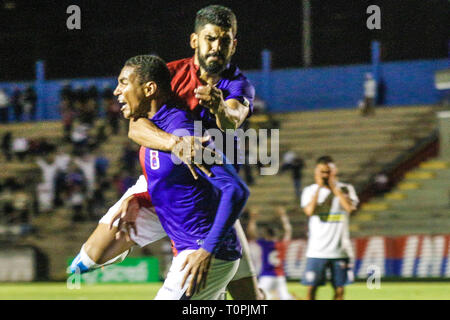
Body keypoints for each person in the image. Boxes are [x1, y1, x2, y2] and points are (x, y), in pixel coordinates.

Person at [70, 5, 262, 300]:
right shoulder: (168, 75)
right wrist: (173, 147)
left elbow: (232, 119)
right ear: (194, 40)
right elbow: (136, 128)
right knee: (89, 258)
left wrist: (218, 106)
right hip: (163, 178)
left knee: (249, 299)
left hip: (207, 188)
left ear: (234, 44)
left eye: (225, 41)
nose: (217, 47)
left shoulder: (238, 85)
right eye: (210, 39)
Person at [300, 156, 359, 300]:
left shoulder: (346, 188)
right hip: (316, 251)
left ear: (335, 171)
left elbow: (350, 208)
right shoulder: (310, 190)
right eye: (322, 172)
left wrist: (335, 189)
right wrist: (320, 188)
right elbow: (309, 211)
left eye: (328, 172)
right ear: (316, 173)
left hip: (341, 251)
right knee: (311, 291)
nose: (325, 175)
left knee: (339, 291)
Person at [247, 206, 294, 300]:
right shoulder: (281, 244)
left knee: (259, 296)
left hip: (267, 276)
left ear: (266, 235)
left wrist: (253, 218)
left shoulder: (265, 244)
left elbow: (251, 232)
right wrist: (283, 216)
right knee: (285, 297)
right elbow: (288, 231)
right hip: (280, 276)